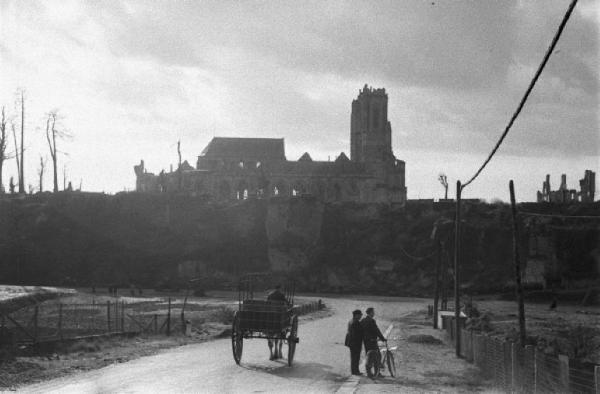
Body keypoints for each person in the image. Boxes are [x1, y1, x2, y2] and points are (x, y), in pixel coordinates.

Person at [360, 307, 386, 375]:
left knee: (369, 356)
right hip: (372, 341)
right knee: (377, 356)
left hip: (366, 342)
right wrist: (382, 338)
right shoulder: (371, 321)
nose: (374, 313)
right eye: (373, 312)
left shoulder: (363, 320)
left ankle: (369, 372)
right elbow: (376, 330)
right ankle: (377, 373)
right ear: (371, 313)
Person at [345, 309, 364, 375]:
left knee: (353, 357)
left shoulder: (351, 321)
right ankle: (355, 371)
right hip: (356, 343)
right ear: (356, 315)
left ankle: (354, 371)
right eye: (360, 315)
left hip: (351, 342)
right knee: (356, 357)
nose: (360, 316)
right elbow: (359, 333)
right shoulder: (356, 322)